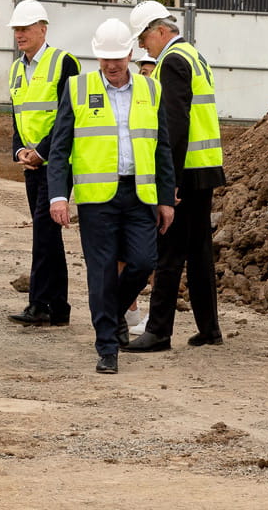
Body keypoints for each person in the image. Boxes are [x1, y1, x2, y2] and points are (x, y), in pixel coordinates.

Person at [47, 20, 176, 374]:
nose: (112, 65)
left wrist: (165, 198)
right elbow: (60, 150)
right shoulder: (77, 88)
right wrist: (59, 196)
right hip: (96, 198)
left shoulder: (152, 90)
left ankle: (109, 312)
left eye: (118, 58)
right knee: (101, 272)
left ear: (130, 54)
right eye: (105, 58)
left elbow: (162, 147)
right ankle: (107, 346)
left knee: (144, 261)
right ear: (97, 56)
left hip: (140, 193)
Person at [124, 1, 226, 352]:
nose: (142, 46)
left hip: (188, 172)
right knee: (198, 253)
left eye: (144, 38)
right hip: (205, 168)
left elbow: (175, 126)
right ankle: (209, 328)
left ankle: (159, 331)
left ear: (161, 31)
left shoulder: (172, 61)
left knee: (168, 251)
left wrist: (171, 183)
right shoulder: (194, 56)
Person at [4, 0, 81, 328]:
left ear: (42, 29)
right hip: (32, 164)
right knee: (47, 235)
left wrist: (44, 152)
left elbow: (68, 118)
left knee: (44, 234)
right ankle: (57, 306)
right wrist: (19, 151)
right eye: (16, 29)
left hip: (57, 164)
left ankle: (39, 304)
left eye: (25, 29)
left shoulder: (64, 63)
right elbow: (18, 118)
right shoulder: (16, 69)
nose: (19, 34)